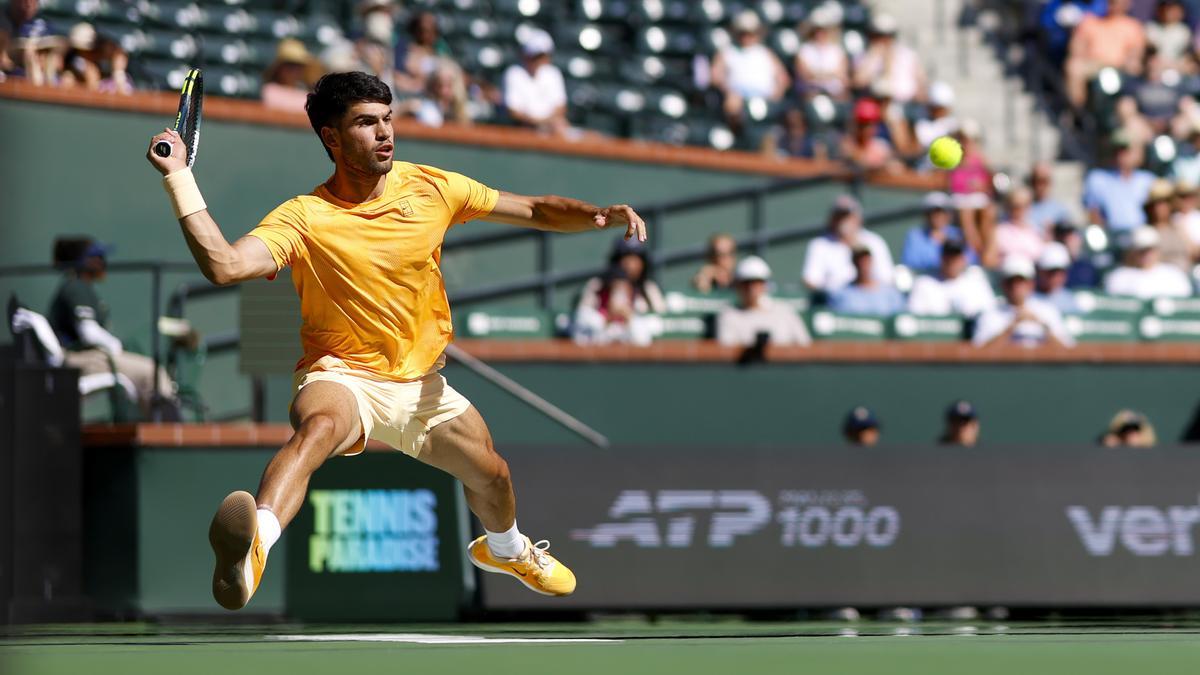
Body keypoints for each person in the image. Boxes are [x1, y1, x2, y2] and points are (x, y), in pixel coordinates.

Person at [146, 71, 649, 609]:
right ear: (332, 138)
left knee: (494, 475)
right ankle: (253, 550)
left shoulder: (432, 187)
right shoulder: (304, 218)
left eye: (388, 119)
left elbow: (532, 208)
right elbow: (224, 265)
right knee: (320, 428)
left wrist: (598, 215)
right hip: (342, 373)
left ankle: (507, 549)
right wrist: (179, 178)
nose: (385, 132)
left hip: (422, 385)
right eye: (366, 123)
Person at [47, 239, 179, 416]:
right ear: (86, 261)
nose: (103, 262)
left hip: (88, 357)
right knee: (152, 373)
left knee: (148, 373)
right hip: (80, 359)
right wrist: (115, 345)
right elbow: (88, 332)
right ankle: (169, 430)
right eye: (98, 257)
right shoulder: (76, 286)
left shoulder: (80, 286)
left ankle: (157, 426)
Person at [573, 238, 666, 346]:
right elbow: (582, 326)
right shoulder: (597, 286)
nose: (630, 264)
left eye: (636, 258)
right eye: (626, 257)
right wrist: (607, 318)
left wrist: (629, 316)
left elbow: (659, 325)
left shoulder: (648, 289)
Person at [710, 11, 790, 132]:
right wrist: (729, 91)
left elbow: (783, 78)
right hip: (738, 98)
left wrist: (776, 94)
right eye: (743, 33)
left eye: (750, 33)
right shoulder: (728, 52)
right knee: (732, 107)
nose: (746, 37)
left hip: (765, 98)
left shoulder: (766, 53)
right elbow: (715, 76)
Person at [973, 257, 1075, 348]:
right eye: (1011, 281)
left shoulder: (1047, 310)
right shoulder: (990, 313)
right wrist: (1011, 327)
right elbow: (979, 352)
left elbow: (1067, 349)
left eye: (1021, 281)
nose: (1015, 287)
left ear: (1031, 284)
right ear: (1003, 284)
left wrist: (1042, 326)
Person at [802, 195, 895, 296]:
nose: (843, 221)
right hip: (834, 299)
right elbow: (811, 280)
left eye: (847, 216)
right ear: (832, 219)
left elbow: (886, 278)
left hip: (871, 297)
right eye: (839, 217)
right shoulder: (819, 245)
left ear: (858, 218)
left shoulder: (874, 242)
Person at [1064, 0, 1146, 108]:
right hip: (1094, 66)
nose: (1114, 5)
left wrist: (1130, 63)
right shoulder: (1089, 21)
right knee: (1074, 67)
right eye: (1112, 2)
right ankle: (1077, 110)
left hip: (1119, 68)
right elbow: (1077, 48)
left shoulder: (1133, 26)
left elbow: (1135, 55)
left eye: (1119, 2)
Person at [716, 256, 812, 347]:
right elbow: (727, 350)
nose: (751, 288)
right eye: (746, 283)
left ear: (765, 284)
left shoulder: (785, 311)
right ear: (738, 285)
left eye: (757, 282)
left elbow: (805, 346)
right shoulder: (729, 315)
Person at [1083, 133, 1156, 233]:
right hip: (1112, 235)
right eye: (1116, 151)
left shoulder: (1147, 180)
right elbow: (1093, 213)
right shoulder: (1098, 179)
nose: (1120, 155)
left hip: (1143, 233)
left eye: (1125, 150)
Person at [503, 28, 570, 136]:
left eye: (542, 56)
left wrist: (548, 123)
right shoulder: (514, 73)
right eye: (535, 56)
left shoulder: (553, 74)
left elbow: (561, 107)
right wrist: (538, 123)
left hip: (550, 128)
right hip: (524, 129)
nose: (538, 61)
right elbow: (513, 111)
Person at [948, 120, 996, 266]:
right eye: (962, 139)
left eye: (969, 139)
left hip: (978, 200)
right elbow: (948, 183)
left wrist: (982, 185)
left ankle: (988, 255)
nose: (966, 143)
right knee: (966, 213)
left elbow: (992, 183)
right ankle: (978, 254)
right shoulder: (952, 160)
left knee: (989, 212)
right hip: (959, 201)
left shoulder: (982, 160)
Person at [907, 240, 997, 318]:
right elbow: (913, 319)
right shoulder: (924, 284)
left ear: (964, 259)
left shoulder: (977, 283)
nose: (952, 261)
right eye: (948, 256)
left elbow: (991, 316)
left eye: (956, 257)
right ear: (941, 258)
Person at [852, 13, 925, 104]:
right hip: (876, 104)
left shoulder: (908, 55)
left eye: (888, 36)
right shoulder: (864, 56)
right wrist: (873, 57)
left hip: (907, 103)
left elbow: (921, 82)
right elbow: (858, 82)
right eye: (878, 36)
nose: (883, 40)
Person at [1104, 225, 1193, 297]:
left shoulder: (1174, 276)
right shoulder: (1119, 277)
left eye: (1150, 250)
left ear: (1157, 250)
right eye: (1141, 250)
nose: (1146, 255)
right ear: (1132, 252)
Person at [901, 192, 972, 274]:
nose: (938, 216)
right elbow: (910, 263)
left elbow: (970, 259)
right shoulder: (914, 236)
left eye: (942, 212)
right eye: (934, 212)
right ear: (926, 215)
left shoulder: (958, 234)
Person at [828, 246, 905, 316]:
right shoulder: (842, 294)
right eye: (859, 261)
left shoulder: (890, 294)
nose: (863, 265)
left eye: (866, 260)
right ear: (854, 263)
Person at [59, 22, 130, 94]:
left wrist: (118, 73)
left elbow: (124, 94)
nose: (85, 54)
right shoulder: (72, 69)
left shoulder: (115, 75)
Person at [794, 7, 848, 100]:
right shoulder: (805, 49)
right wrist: (830, 75)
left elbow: (842, 75)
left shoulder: (837, 50)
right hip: (811, 91)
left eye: (823, 30)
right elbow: (805, 74)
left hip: (834, 92)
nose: (820, 33)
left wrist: (818, 75)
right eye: (817, 30)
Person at [394, 10, 452, 94]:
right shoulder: (402, 48)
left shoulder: (441, 51)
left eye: (430, 30)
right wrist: (412, 84)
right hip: (404, 93)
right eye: (422, 30)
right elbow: (395, 74)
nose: (426, 34)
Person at [1143, 179, 1196, 272]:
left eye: (1164, 202)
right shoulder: (1147, 232)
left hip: (1185, 274)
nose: (1159, 208)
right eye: (1156, 203)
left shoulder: (1179, 226)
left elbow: (1192, 252)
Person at [401, 58, 472, 127]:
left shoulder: (468, 111)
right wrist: (405, 108)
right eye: (439, 86)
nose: (444, 91)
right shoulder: (426, 110)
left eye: (449, 85)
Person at [840, 98, 900, 173]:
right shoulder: (847, 146)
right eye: (862, 125)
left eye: (870, 124)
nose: (866, 129)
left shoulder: (881, 147)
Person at [261, 39, 321, 113]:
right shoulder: (269, 90)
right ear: (279, 67)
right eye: (290, 65)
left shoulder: (306, 95)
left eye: (299, 66)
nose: (295, 70)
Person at [994, 186, 1047, 265]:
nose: (1019, 210)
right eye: (1015, 206)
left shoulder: (1036, 230)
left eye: (1024, 205)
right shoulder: (999, 231)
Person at [1034, 242, 1081, 314]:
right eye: (1051, 272)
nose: (1055, 277)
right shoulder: (1028, 299)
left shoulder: (1069, 300)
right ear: (1040, 271)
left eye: (1060, 271)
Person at [1052, 221, 1101, 288]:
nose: (1067, 240)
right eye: (1062, 236)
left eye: (1071, 235)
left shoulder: (1087, 268)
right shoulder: (1050, 269)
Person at [1146, 0, 1192, 70]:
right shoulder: (1151, 29)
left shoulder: (1184, 31)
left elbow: (1187, 54)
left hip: (1178, 67)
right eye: (1165, 9)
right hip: (1156, 66)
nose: (1168, 13)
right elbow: (1150, 52)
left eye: (1172, 10)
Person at [1027, 163, 1071, 235]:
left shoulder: (1060, 210)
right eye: (1036, 181)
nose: (1040, 186)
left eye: (1044, 181)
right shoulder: (1020, 208)